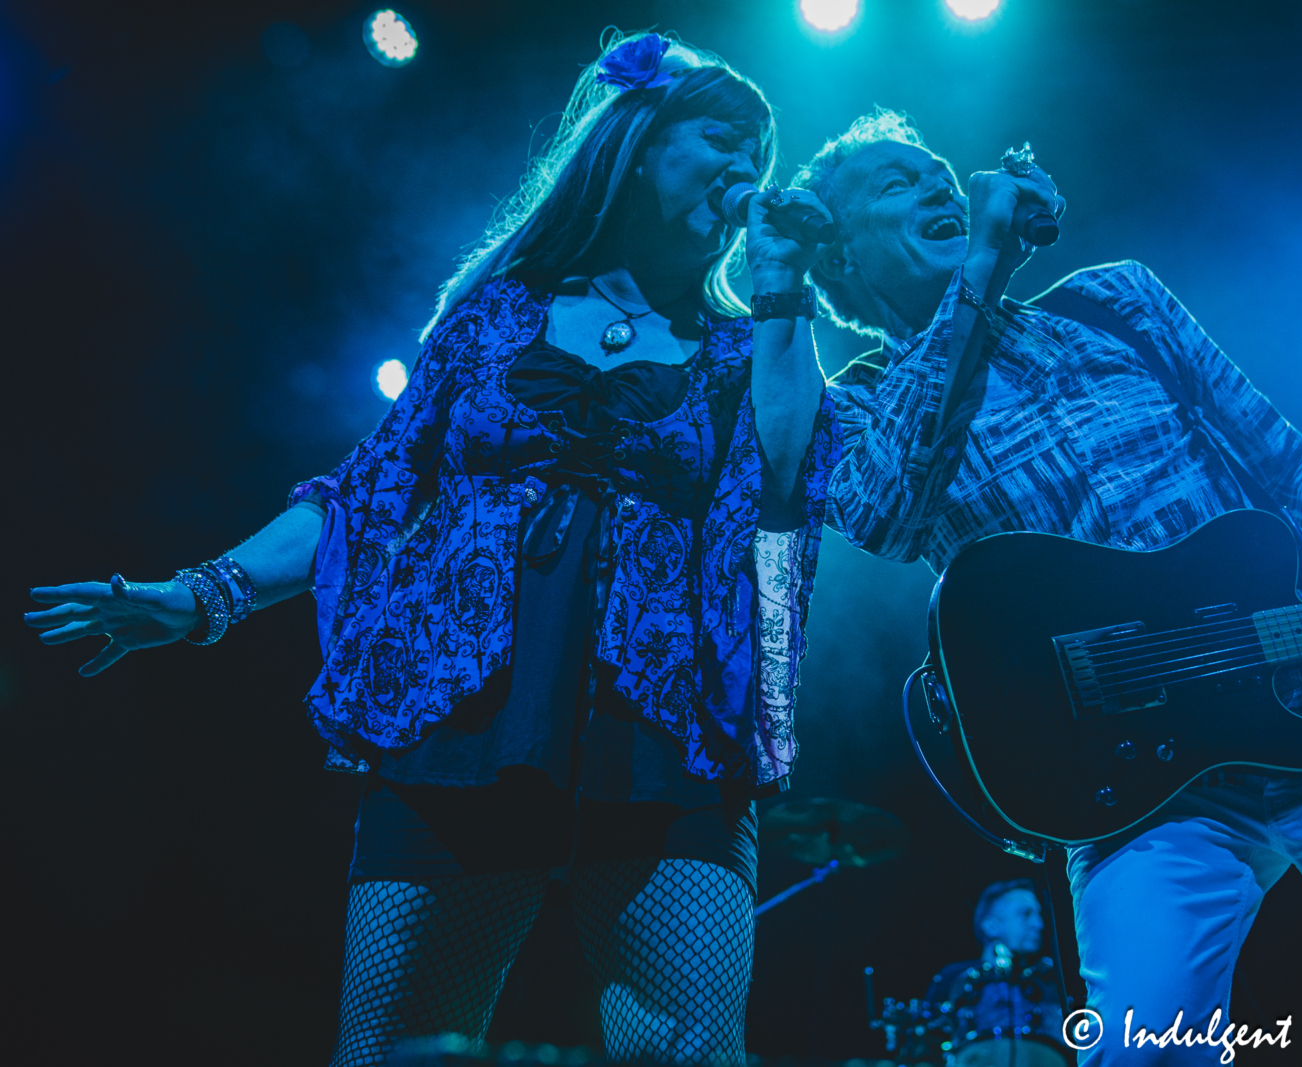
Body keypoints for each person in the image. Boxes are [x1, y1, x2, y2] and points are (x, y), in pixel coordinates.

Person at [25, 32, 839, 1067]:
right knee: (391, 1050)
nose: (747, 169)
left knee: (688, 1050)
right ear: (639, 145)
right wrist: (201, 594)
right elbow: (364, 497)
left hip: (665, 733)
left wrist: (782, 285)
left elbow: (784, 481)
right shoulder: (495, 318)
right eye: (725, 139)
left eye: (761, 156)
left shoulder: (742, 344)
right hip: (462, 717)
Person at [794, 110, 1302, 1063]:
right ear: (838, 264)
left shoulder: (1115, 305)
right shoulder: (856, 416)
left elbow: (1300, 480)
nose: (938, 187)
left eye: (937, 172)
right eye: (896, 184)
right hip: (1132, 793)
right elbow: (885, 515)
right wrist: (979, 271)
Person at [924, 881, 1069, 1067]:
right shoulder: (953, 978)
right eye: (1025, 914)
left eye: (1039, 915)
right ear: (991, 926)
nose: (1039, 924)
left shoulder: (1050, 981)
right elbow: (929, 1045)